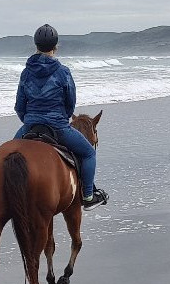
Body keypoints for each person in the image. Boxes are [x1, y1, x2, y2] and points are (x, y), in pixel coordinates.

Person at [14, 23, 107, 210]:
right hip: (58, 127)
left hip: (30, 126)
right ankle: (88, 197)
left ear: (36, 46)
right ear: (55, 47)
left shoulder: (26, 72)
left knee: (10, 157)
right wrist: (61, 119)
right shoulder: (63, 72)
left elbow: (19, 106)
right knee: (89, 153)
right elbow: (70, 103)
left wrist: (29, 121)